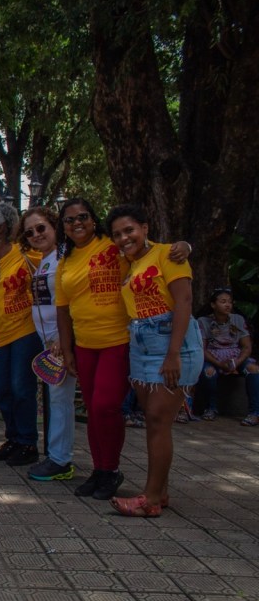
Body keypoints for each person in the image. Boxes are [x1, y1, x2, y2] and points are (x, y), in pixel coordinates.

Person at [55, 198, 190, 500]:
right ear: (62, 227)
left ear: (93, 220)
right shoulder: (65, 262)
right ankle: (100, 470)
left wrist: (184, 246)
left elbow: (151, 250)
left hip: (118, 340)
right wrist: (67, 350)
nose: (77, 223)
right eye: (69, 220)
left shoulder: (112, 246)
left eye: (83, 217)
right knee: (92, 410)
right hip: (84, 344)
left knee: (105, 405)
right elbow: (62, 310)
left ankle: (112, 469)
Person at [107, 205, 203, 517]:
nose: (124, 237)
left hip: (171, 344)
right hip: (141, 344)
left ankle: (148, 498)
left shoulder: (168, 255)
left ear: (145, 228)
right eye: (118, 234)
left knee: (159, 420)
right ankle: (160, 491)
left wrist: (173, 353)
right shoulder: (127, 264)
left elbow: (184, 302)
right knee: (152, 420)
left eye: (129, 230)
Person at [0, 204, 43, 466]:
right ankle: (13, 438)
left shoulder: (27, 254)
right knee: (2, 389)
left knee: (21, 387)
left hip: (26, 330)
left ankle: (28, 443)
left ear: (2, 227)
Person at [18, 206, 78, 481]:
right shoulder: (44, 260)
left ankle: (60, 460)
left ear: (54, 226)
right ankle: (56, 455)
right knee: (56, 399)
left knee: (61, 399)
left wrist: (63, 339)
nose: (35, 234)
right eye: (29, 232)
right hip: (48, 339)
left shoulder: (66, 256)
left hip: (61, 339)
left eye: (41, 228)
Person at [197, 288, 259, 424]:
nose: (227, 305)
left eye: (230, 302)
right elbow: (202, 349)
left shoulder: (237, 319)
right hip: (212, 357)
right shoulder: (203, 321)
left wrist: (236, 363)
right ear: (213, 305)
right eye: (223, 301)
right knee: (208, 372)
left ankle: (255, 413)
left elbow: (246, 347)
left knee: (254, 369)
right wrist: (220, 364)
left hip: (236, 356)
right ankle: (210, 408)